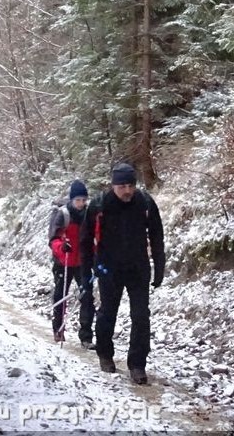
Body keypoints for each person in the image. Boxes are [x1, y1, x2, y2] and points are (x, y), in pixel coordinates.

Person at [79, 162, 164, 385]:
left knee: (141, 316)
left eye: (131, 185)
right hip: (109, 268)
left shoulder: (144, 202)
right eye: (122, 186)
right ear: (113, 185)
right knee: (108, 312)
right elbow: (85, 241)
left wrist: (160, 266)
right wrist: (86, 274)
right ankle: (105, 354)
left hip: (138, 267)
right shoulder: (99, 205)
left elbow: (157, 235)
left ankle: (137, 364)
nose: (127, 191)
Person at [48, 179, 96, 347]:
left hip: (83, 262)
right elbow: (53, 239)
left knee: (87, 297)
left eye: (84, 200)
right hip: (64, 261)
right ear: (72, 199)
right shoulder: (63, 214)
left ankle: (86, 337)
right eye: (78, 200)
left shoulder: (89, 215)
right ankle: (58, 329)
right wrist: (62, 247)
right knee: (61, 295)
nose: (81, 203)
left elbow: (93, 238)